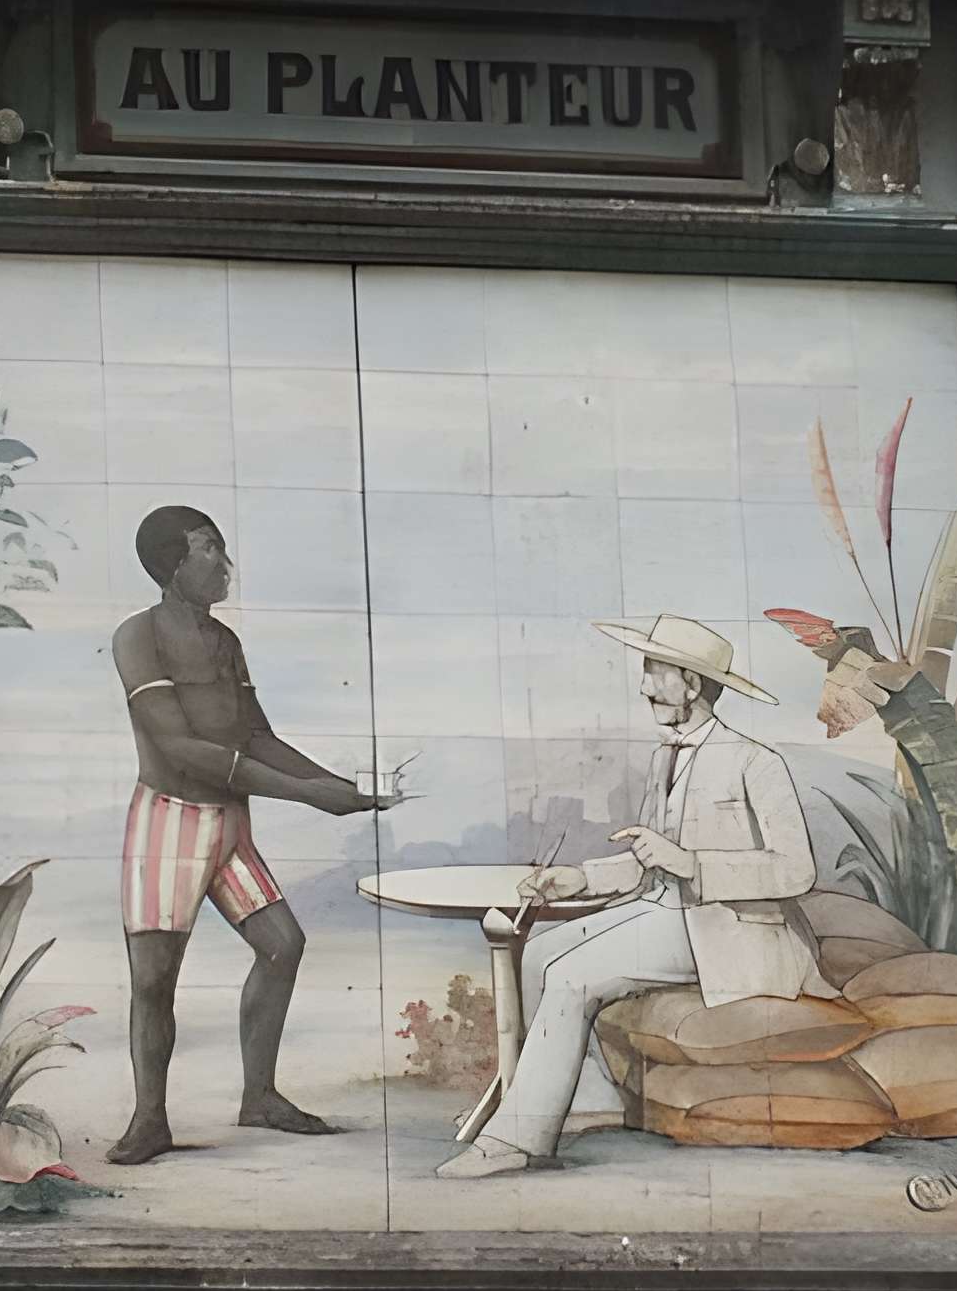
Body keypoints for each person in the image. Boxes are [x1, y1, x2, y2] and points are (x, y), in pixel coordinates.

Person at [437, 613, 826, 1179]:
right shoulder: (662, 756)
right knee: (541, 950)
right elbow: (648, 859)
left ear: (691, 685)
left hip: (728, 929)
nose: (644, 686)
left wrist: (692, 864)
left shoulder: (755, 762)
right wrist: (579, 879)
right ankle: (586, 1103)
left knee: (572, 976)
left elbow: (797, 871)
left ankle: (518, 1142)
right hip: (666, 911)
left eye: (654, 672)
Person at [109, 504, 394, 1165]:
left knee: (282, 945)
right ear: (170, 564)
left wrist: (341, 791)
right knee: (153, 979)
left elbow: (255, 735)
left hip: (229, 825)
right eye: (208, 549)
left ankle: (259, 1096)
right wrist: (305, 793)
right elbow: (178, 747)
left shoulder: (225, 642)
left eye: (222, 548)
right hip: (170, 823)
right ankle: (149, 1119)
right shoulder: (138, 636)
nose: (223, 562)